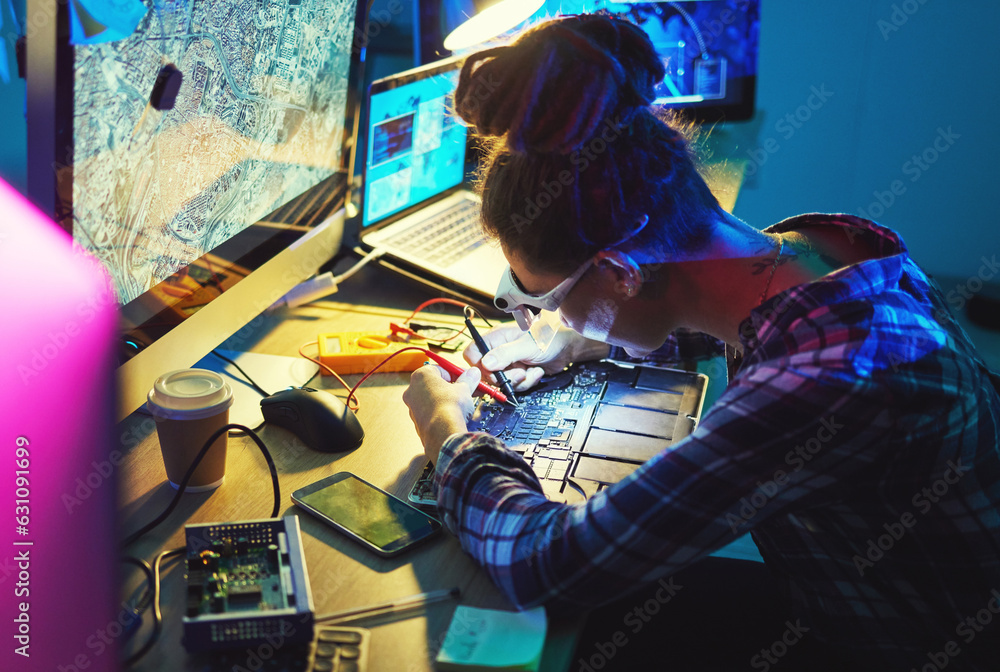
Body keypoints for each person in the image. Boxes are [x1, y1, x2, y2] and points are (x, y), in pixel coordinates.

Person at [401, 13, 1000, 670]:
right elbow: (742, 335)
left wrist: (447, 433)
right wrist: (579, 342)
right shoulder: (822, 255)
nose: (550, 319)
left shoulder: (832, 382)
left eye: (547, 300)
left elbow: (549, 562)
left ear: (622, 272)